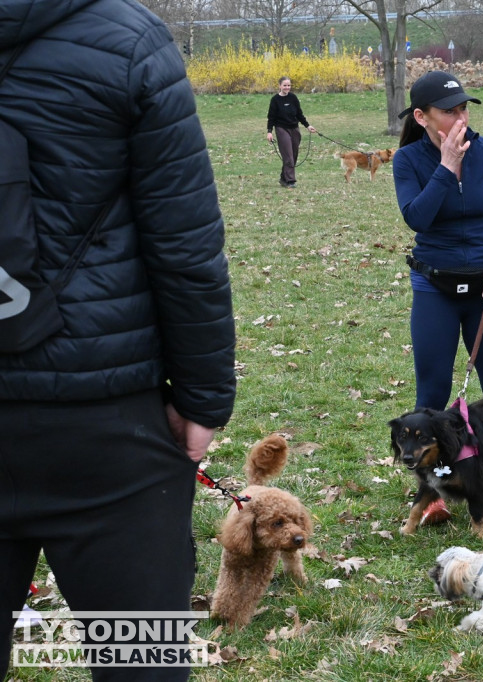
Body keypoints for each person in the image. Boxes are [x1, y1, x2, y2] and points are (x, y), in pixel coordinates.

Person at [0, 1, 235, 680]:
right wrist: (201, 401)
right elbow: (186, 249)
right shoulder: (130, 39)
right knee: (143, 658)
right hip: (106, 430)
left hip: (101, 415)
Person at [393, 70, 483, 524]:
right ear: (422, 116)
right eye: (450, 111)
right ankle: (431, 489)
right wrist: (446, 166)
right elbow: (417, 218)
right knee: (431, 391)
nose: (460, 118)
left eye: (464, 108)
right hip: (434, 285)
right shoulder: (409, 160)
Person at [267, 76, 316, 188]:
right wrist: (269, 132)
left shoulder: (293, 98)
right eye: (284, 85)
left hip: (294, 128)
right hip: (281, 129)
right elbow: (271, 118)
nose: (287, 87)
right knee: (288, 155)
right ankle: (290, 181)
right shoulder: (275, 100)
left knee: (293, 155)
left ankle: (283, 178)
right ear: (280, 86)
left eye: (289, 85)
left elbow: (299, 114)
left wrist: (307, 126)